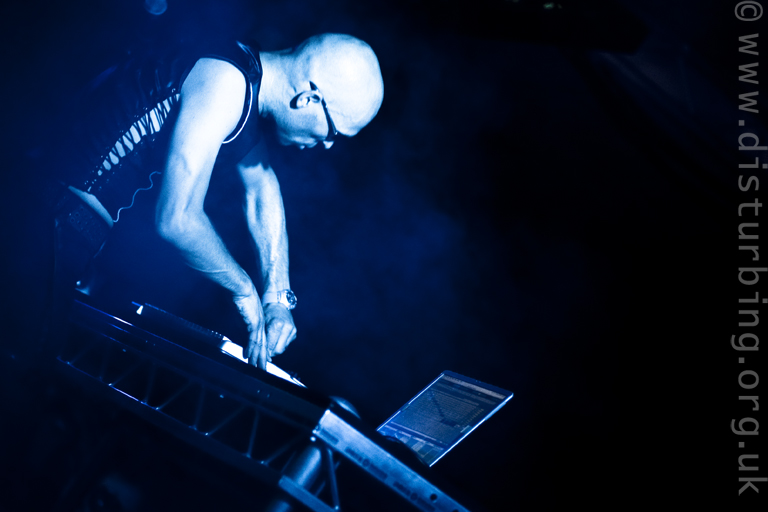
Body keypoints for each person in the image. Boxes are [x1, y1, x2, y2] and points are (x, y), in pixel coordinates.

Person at [47, 33, 385, 369]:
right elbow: (177, 220)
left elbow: (261, 186)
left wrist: (277, 300)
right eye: (335, 132)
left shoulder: (242, 71)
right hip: (50, 220)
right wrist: (244, 289)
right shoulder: (226, 82)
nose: (328, 144)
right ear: (309, 99)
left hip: (57, 221)